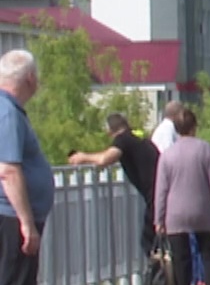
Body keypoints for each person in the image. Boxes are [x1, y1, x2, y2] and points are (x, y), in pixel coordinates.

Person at [0, 51, 52, 285]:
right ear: (30, 79)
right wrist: (26, 223)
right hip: (8, 216)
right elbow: (8, 169)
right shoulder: (7, 112)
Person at [151, 108, 210, 285]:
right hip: (203, 210)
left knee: (180, 260)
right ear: (194, 127)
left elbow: (161, 190)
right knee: (208, 257)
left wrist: (159, 218)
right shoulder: (205, 150)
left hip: (175, 214)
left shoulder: (167, 156)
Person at [68, 112, 162, 274]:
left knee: (150, 240)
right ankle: (169, 279)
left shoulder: (123, 139)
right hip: (161, 191)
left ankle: (164, 279)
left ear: (110, 131)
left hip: (155, 195)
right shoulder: (138, 137)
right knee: (157, 238)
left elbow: (106, 158)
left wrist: (83, 157)